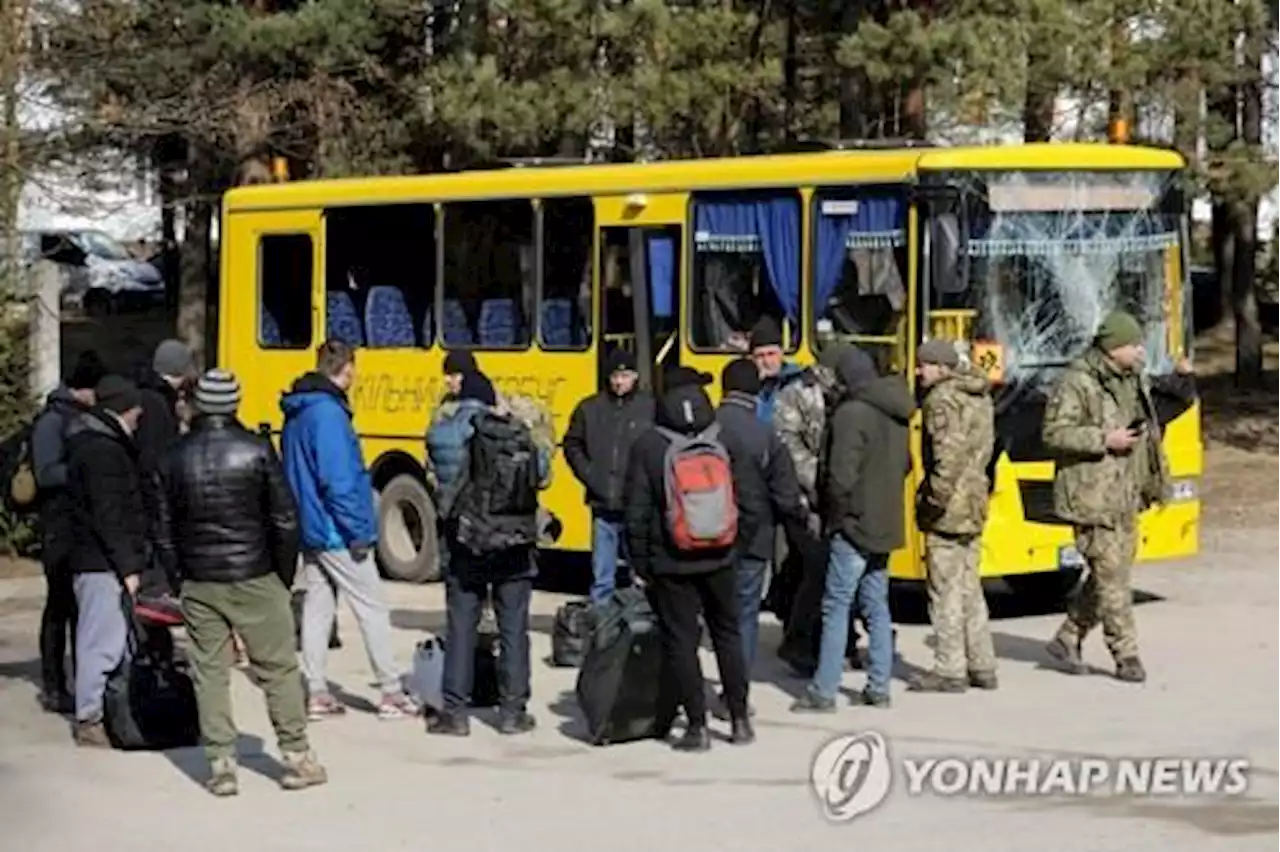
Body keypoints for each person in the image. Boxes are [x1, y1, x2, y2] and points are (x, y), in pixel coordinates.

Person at [156, 369, 325, 795]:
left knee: (209, 672)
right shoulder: (256, 450)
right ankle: (297, 756)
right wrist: (282, 576)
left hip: (199, 578)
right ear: (235, 403)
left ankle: (221, 764)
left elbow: (162, 528)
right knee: (278, 668)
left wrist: (180, 578)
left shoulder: (174, 456)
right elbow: (285, 519)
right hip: (255, 572)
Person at [280, 340, 419, 720]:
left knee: (318, 605)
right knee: (372, 606)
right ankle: (390, 691)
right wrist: (359, 529)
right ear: (347, 369)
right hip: (336, 530)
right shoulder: (328, 414)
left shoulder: (298, 408)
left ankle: (316, 690)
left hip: (311, 524)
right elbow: (338, 480)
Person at [624, 366, 753, 751]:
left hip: (672, 562)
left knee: (682, 642)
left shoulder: (649, 445)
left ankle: (697, 727)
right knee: (727, 635)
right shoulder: (724, 439)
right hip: (722, 556)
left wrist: (642, 565)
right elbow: (748, 500)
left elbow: (637, 514)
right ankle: (740, 719)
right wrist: (737, 545)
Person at [1042, 311, 1173, 684]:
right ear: (1114, 348)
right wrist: (1104, 439)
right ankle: (1126, 655)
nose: (1140, 351)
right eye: (1134, 345)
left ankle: (1069, 635)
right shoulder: (1076, 382)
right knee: (1113, 578)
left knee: (1110, 574)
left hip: (1125, 493)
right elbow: (1054, 432)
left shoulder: (1132, 379)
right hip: (1091, 496)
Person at [427, 372, 552, 737]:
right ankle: (513, 712)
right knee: (514, 627)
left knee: (462, 626)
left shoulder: (445, 430)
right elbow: (542, 475)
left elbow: (437, 470)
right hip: (514, 541)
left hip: (467, 541)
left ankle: (456, 712)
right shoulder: (518, 432)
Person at [792, 348, 915, 713]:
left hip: (854, 524)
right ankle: (879, 686)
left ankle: (823, 691)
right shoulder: (897, 410)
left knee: (836, 604)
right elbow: (906, 464)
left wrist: (836, 515)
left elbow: (839, 478)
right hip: (886, 520)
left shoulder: (851, 414)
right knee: (876, 604)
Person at [910, 340, 998, 693]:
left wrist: (932, 500)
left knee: (944, 587)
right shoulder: (980, 394)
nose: (919, 372)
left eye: (924, 365)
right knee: (969, 585)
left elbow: (948, 458)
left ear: (943, 368)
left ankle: (949, 668)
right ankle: (982, 663)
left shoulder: (942, 399)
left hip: (951, 506)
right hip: (976, 499)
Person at [714, 358, 807, 694]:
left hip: (705, 534)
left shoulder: (705, 426)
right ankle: (736, 693)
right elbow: (785, 494)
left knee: (708, 614)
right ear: (755, 390)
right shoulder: (765, 433)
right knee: (745, 613)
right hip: (754, 536)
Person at [64, 375, 147, 746]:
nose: (141, 414)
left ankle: (97, 713)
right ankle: (90, 718)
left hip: (93, 558)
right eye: (136, 407)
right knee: (101, 641)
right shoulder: (104, 452)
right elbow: (110, 514)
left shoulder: (91, 443)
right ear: (124, 409)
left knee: (103, 638)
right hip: (101, 562)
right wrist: (128, 566)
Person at [30, 350, 106, 713]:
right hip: (58, 524)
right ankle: (54, 684)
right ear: (82, 389)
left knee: (80, 608)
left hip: (78, 524)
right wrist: (84, 471)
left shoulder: (79, 416)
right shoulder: (52, 421)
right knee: (60, 606)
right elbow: (45, 474)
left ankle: (79, 679)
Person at [563, 348, 655, 603]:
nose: (619, 381)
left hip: (636, 502)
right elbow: (572, 444)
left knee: (640, 572)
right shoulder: (589, 408)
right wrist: (590, 474)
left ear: (635, 377)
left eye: (625, 376)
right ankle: (602, 622)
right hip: (602, 501)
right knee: (602, 575)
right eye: (615, 375)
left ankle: (639, 620)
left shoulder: (649, 408)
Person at [133, 338, 198, 622]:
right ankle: (154, 655)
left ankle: (156, 655)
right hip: (153, 501)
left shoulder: (145, 396)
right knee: (155, 593)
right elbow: (158, 457)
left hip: (143, 498)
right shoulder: (159, 405)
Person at [748, 316, 807, 426]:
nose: (767, 361)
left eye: (771, 354)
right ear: (752, 358)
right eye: (760, 356)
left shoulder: (799, 383)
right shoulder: (746, 385)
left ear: (781, 353)